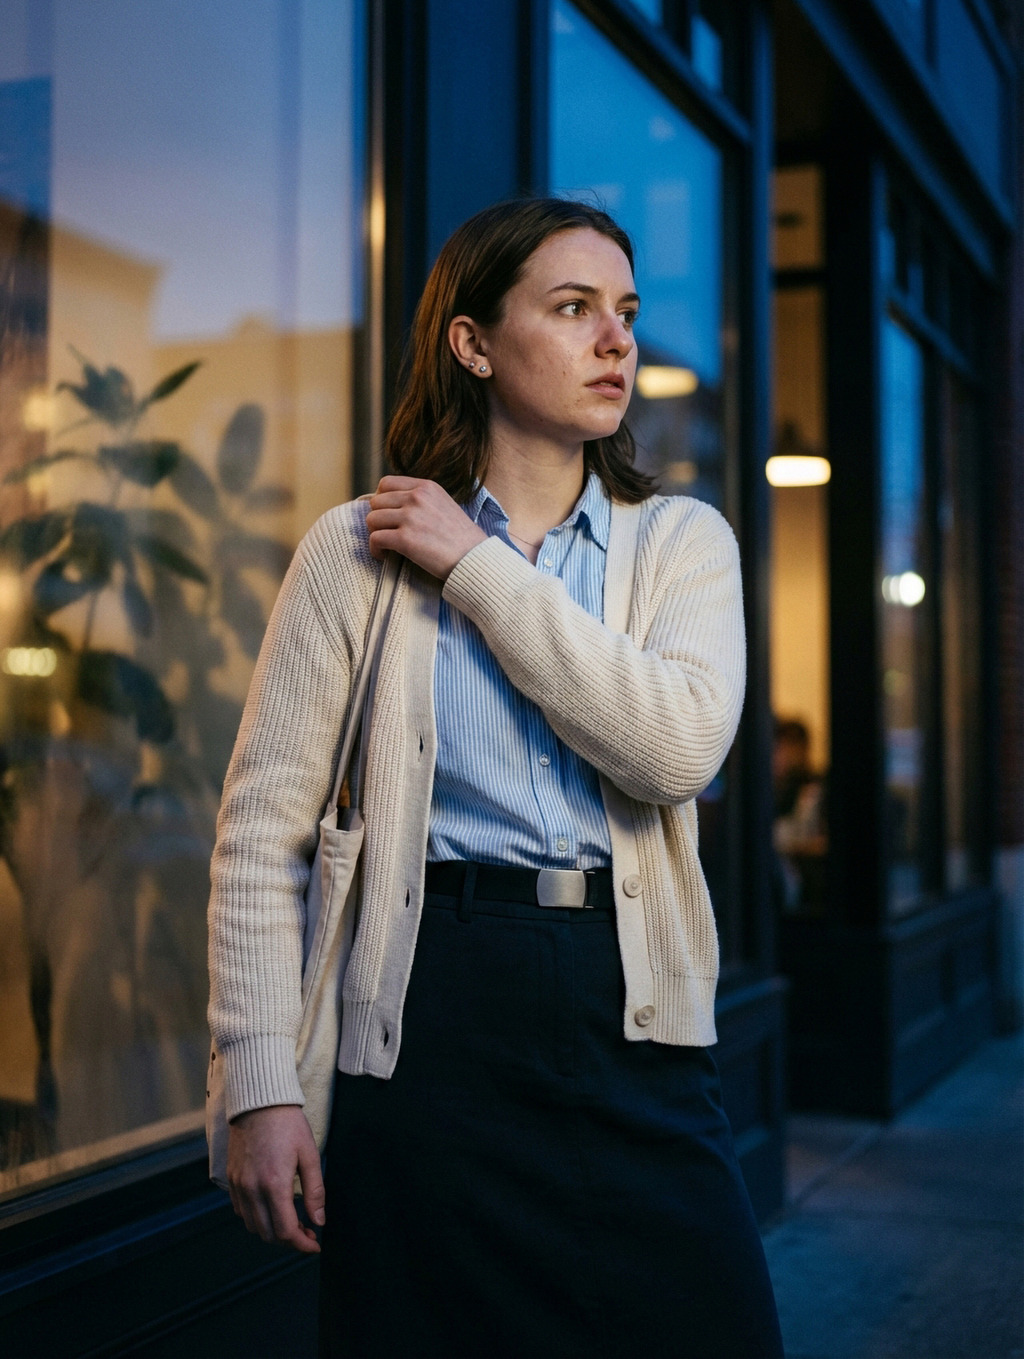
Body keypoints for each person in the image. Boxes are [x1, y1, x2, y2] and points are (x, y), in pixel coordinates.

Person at [208, 197, 783, 1358]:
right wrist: (259, 1086)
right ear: (471, 343)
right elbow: (262, 836)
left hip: (631, 1011)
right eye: (572, 309)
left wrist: (476, 567)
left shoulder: (680, 542)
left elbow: (675, 751)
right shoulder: (355, 551)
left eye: (625, 312)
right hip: (428, 1016)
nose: (616, 341)